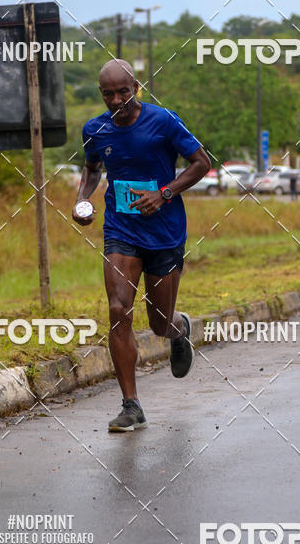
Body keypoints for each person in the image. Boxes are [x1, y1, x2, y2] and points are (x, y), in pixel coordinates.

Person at [72, 59, 210, 432]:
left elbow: (201, 163)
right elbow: (92, 168)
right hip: (122, 229)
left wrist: (165, 193)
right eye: (108, 94)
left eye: (123, 92)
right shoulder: (95, 129)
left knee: (159, 323)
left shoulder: (164, 121)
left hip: (165, 232)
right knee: (118, 309)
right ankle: (131, 405)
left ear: (136, 88)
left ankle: (179, 329)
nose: (117, 100)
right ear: (101, 93)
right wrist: (82, 199)